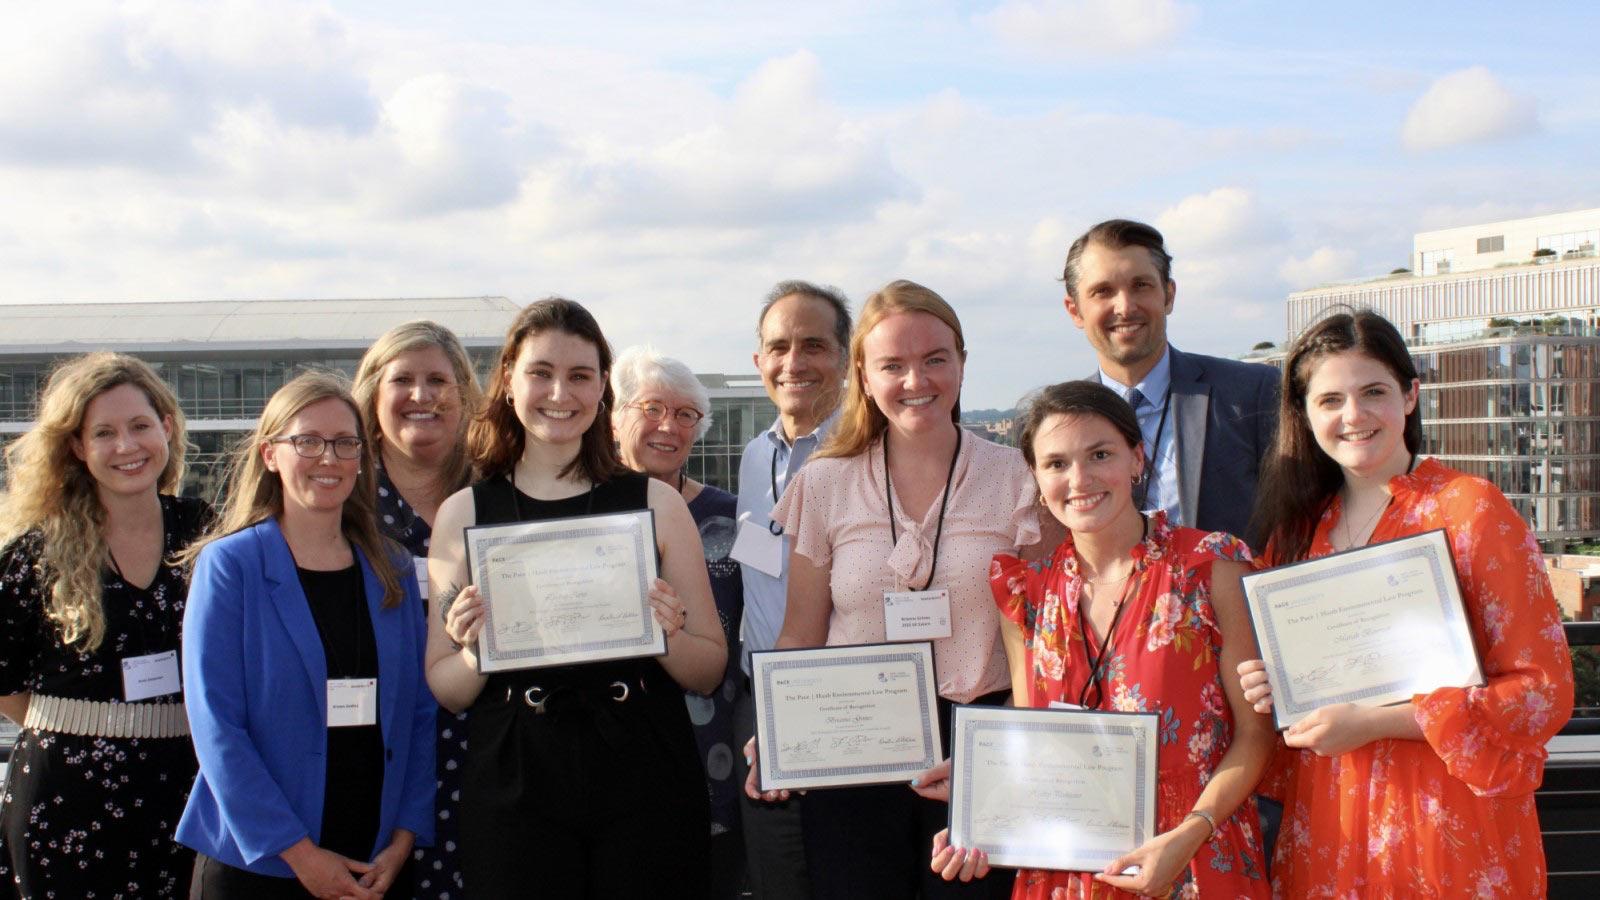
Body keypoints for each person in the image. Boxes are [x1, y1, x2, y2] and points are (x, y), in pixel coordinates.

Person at [1237, 309, 1574, 896]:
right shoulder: (1295, 533)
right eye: (1330, 400)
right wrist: (1271, 686)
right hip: (1333, 817)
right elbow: (1290, 694)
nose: (1354, 416)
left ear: (1411, 395)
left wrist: (1373, 723)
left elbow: (1542, 690)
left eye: (1374, 392)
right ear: (1305, 414)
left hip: (1447, 817)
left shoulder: (1471, 509)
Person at [746, 279, 1038, 899]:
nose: (916, 380)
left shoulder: (1019, 479)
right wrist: (778, 729)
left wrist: (1003, 750)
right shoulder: (825, 484)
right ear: (862, 374)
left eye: (935, 358)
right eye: (893, 365)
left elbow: (1044, 646)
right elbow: (801, 631)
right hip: (852, 747)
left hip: (976, 746)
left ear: (962, 361)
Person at [425, 298, 726, 899]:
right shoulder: (463, 513)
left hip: (643, 767)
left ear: (602, 390)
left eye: (580, 375)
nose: (560, 392)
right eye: (541, 372)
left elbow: (709, 668)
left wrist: (665, 633)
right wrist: (472, 650)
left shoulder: (656, 504)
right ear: (509, 380)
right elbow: (446, 687)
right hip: (515, 772)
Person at [929, 380, 1273, 898]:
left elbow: (1256, 734)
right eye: (1057, 463)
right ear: (1036, 478)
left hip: (1196, 856)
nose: (1079, 479)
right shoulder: (1025, 595)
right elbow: (1034, 752)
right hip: (1067, 871)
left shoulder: (1212, 567)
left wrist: (1190, 833)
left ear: (1137, 459)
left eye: (1100, 454)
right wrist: (980, 822)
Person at [178, 372, 436, 899]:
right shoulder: (231, 566)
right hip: (262, 865)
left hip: (376, 863)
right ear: (271, 454)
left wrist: (405, 839)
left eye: (345, 443)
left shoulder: (393, 567)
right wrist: (300, 855)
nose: (329, 458)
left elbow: (419, 712)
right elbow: (217, 727)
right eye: (307, 441)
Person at [0, 353, 209, 898]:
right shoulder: (36, 554)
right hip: (65, 799)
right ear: (77, 448)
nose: (126, 446)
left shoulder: (208, 533)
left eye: (140, 426)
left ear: (166, 427)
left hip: (186, 793)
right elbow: (4, 683)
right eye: (104, 433)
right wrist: (91, 730)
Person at [353, 320, 482, 899]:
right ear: (373, 394)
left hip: (484, 756)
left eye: (439, 380)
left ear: (464, 396)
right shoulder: (338, 499)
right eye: (403, 380)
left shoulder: (499, 495)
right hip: (372, 758)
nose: (422, 396)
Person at [732, 279, 852, 899]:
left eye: (814, 345)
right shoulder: (754, 456)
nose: (794, 363)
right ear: (758, 361)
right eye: (778, 347)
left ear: (845, 357)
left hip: (848, 705)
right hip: (762, 697)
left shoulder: (870, 452)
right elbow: (761, 562)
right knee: (778, 877)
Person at [611, 344, 745, 900]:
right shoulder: (583, 512)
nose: (669, 425)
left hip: (712, 739)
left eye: (686, 414)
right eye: (651, 408)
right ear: (616, 416)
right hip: (615, 745)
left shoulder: (731, 515)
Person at [1062, 219, 1278, 545]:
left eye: (1141, 285)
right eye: (1103, 291)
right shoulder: (1057, 425)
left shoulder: (1252, 393)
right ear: (1075, 311)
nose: (1125, 306)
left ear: (1169, 295)